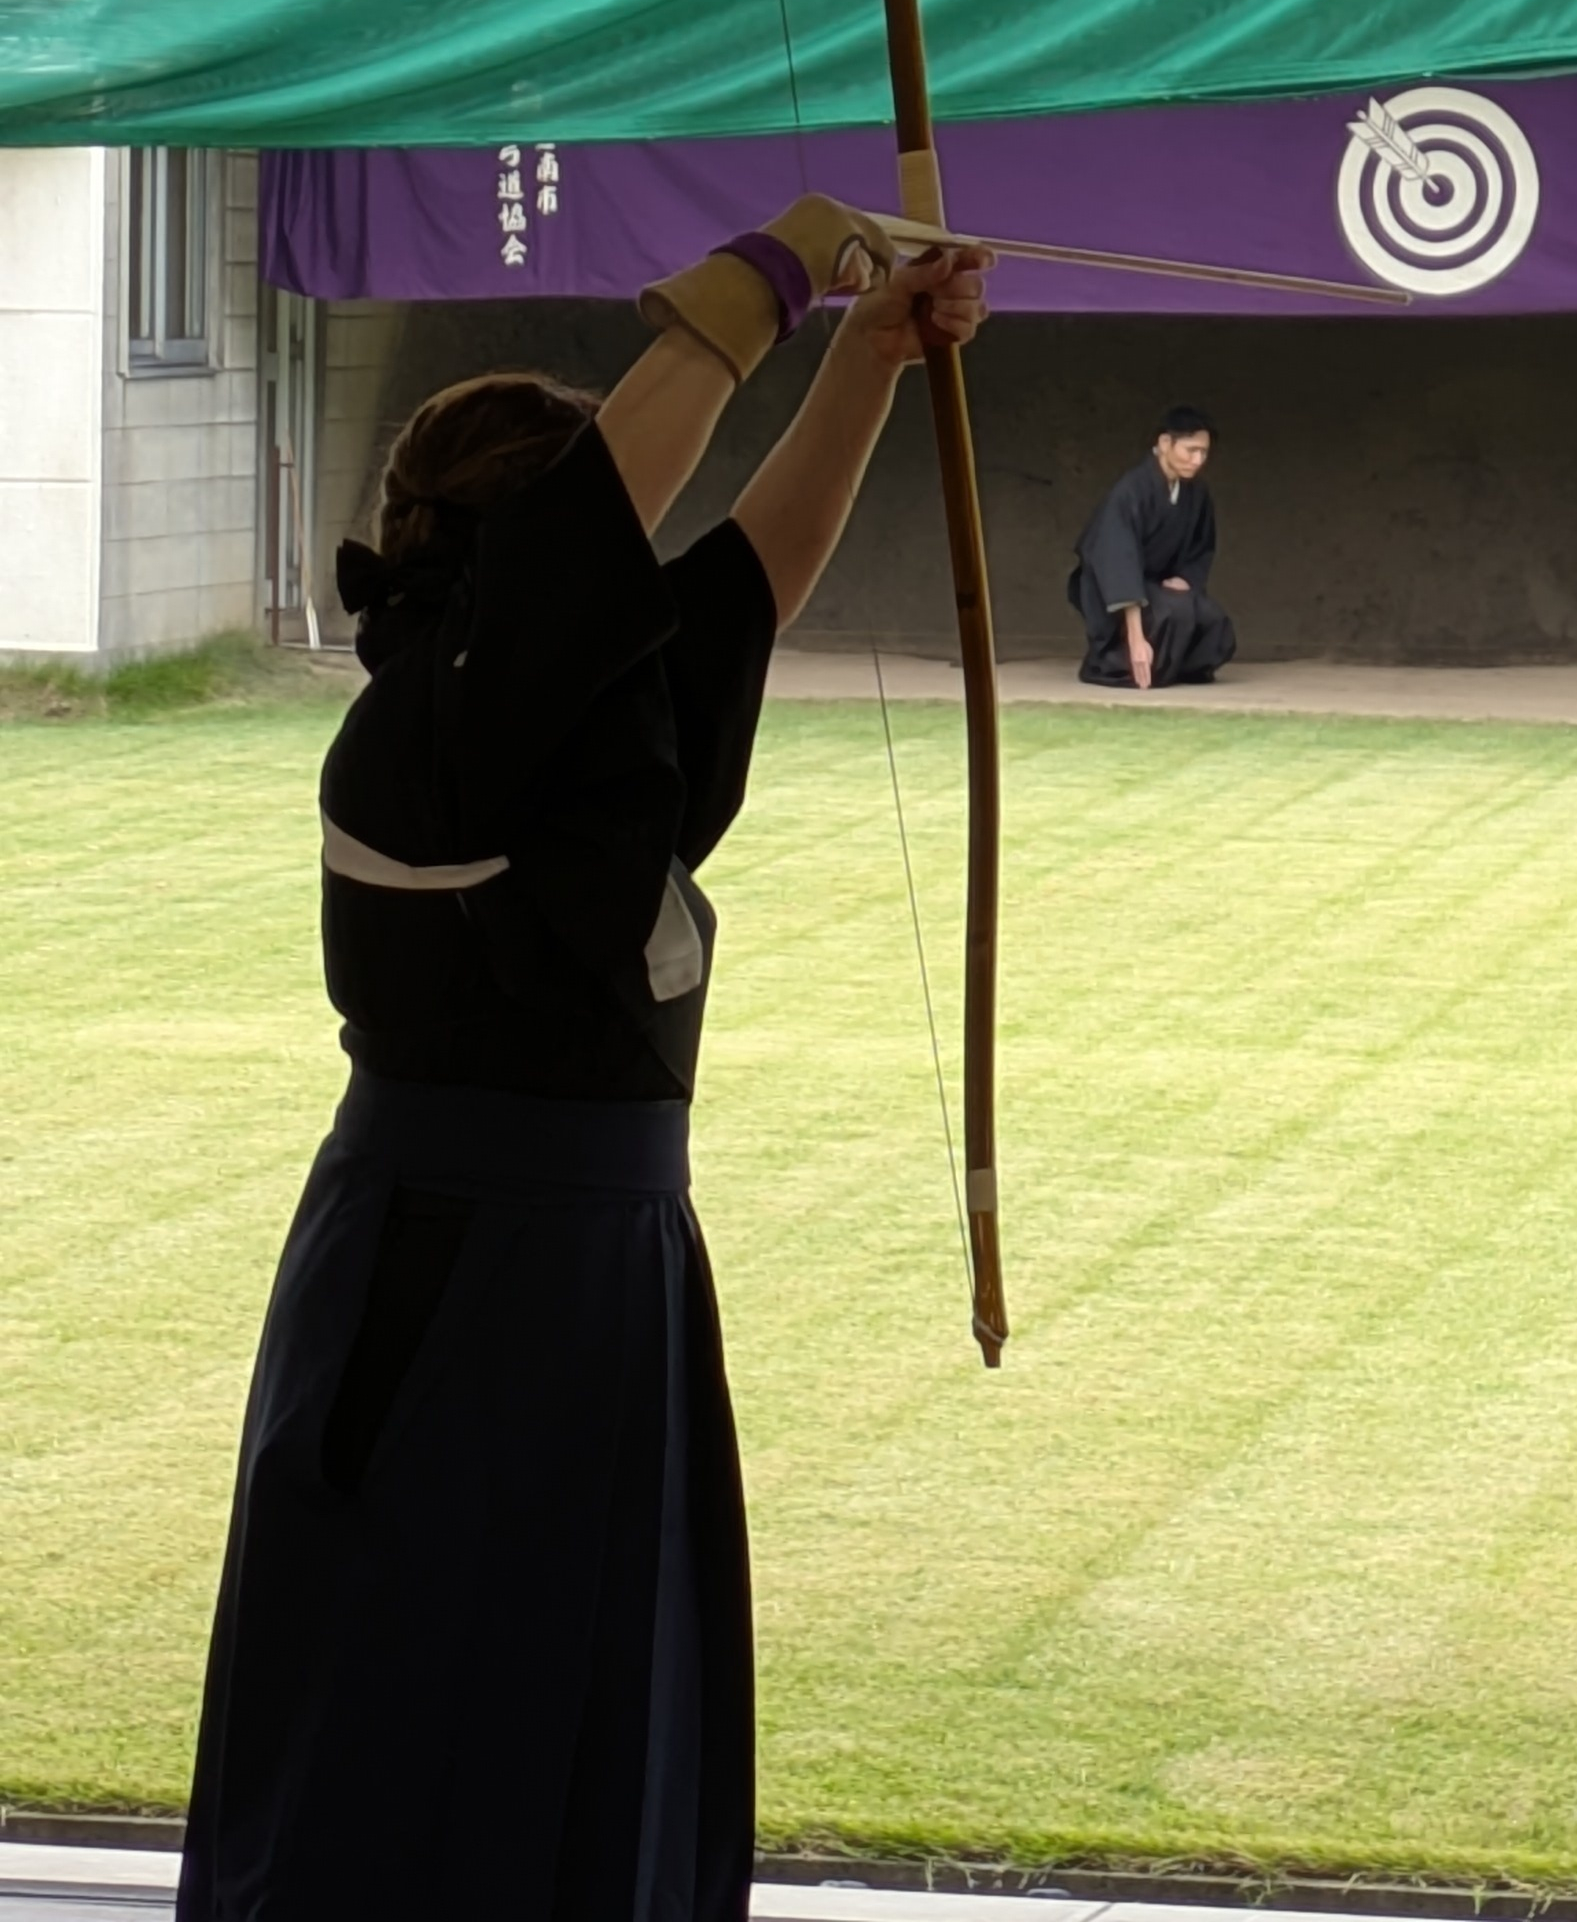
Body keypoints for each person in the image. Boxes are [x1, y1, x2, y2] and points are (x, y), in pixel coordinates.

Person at [177, 199, 990, 1922]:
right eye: (594, 540)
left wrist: (871, 352)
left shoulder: (590, 724)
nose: (626, 569)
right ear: (528, 557)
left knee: (593, 1714)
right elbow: (598, 525)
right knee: (409, 1730)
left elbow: (755, 570)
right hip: (445, 1282)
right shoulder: (423, 735)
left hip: (601, 1274)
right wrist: (786, 267)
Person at [1069, 405, 1236, 690]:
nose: (1197, 460)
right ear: (1165, 443)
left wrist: (1186, 578)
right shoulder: (1131, 491)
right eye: (1191, 450)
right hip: (1111, 588)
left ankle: (1171, 668)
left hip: (1157, 586)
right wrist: (1136, 639)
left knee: (1211, 619)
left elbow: (1202, 544)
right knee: (1173, 612)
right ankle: (1116, 667)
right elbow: (1118, 561)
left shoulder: (1196, 492)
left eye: (1204, 453)